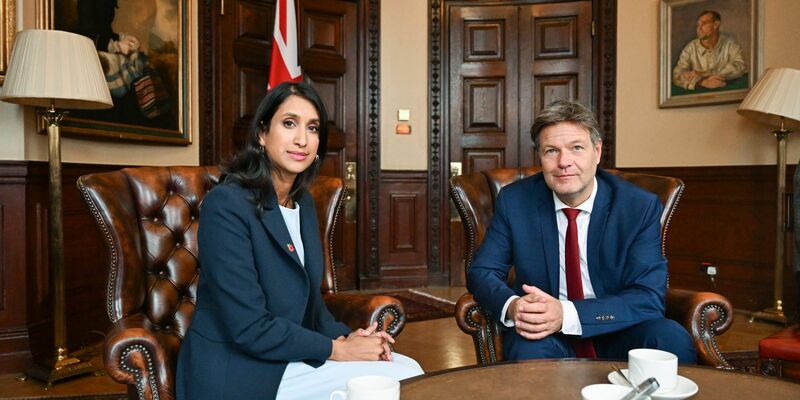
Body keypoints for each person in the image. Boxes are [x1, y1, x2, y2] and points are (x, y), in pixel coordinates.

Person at [176, 82, 423, 399]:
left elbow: (312, 307)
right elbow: (248, 326)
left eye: (313, 128)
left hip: (287, 359)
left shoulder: (302, 202)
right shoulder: (227, 204)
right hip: (236, 370)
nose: (302, 139)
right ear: (263, 134)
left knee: (408, 371)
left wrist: (351, 338)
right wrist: (338, 350)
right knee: (399, 383)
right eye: (289, 123)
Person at [467, 99, 697, 363]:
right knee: (527, 352)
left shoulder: (637, 206)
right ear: (540, 158)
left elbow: (648, 297)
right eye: (551, 151)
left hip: (617, 327)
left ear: (597, 152)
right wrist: (514, 306)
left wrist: (567, 314)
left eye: (576, 148)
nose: (564, 162)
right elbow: (482, 272)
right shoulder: (516, 201)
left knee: (670, 339)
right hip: (544, 332)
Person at [672, 10, 746, 91]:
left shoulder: (730, 43)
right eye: (698, 25)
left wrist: (704, 74)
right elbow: (677, 75)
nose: (699, 29)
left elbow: (739, 66)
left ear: (716, 24)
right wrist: (702, 82)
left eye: (704, 24)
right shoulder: (690, 47)